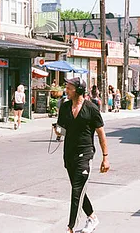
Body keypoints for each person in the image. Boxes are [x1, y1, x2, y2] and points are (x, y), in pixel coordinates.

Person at [56, 77, 110, 233]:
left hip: (84, 154)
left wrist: (105, 157)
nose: (66, 90)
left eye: (69, 87)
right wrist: (58, 131)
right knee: (78, 190)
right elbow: (63, 130)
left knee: (76, 191)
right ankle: (92, 217)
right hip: (69, 155)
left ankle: (70, 227)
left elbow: (101, 133)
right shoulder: (65, 107)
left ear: (78, 90)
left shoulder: (91, 109)